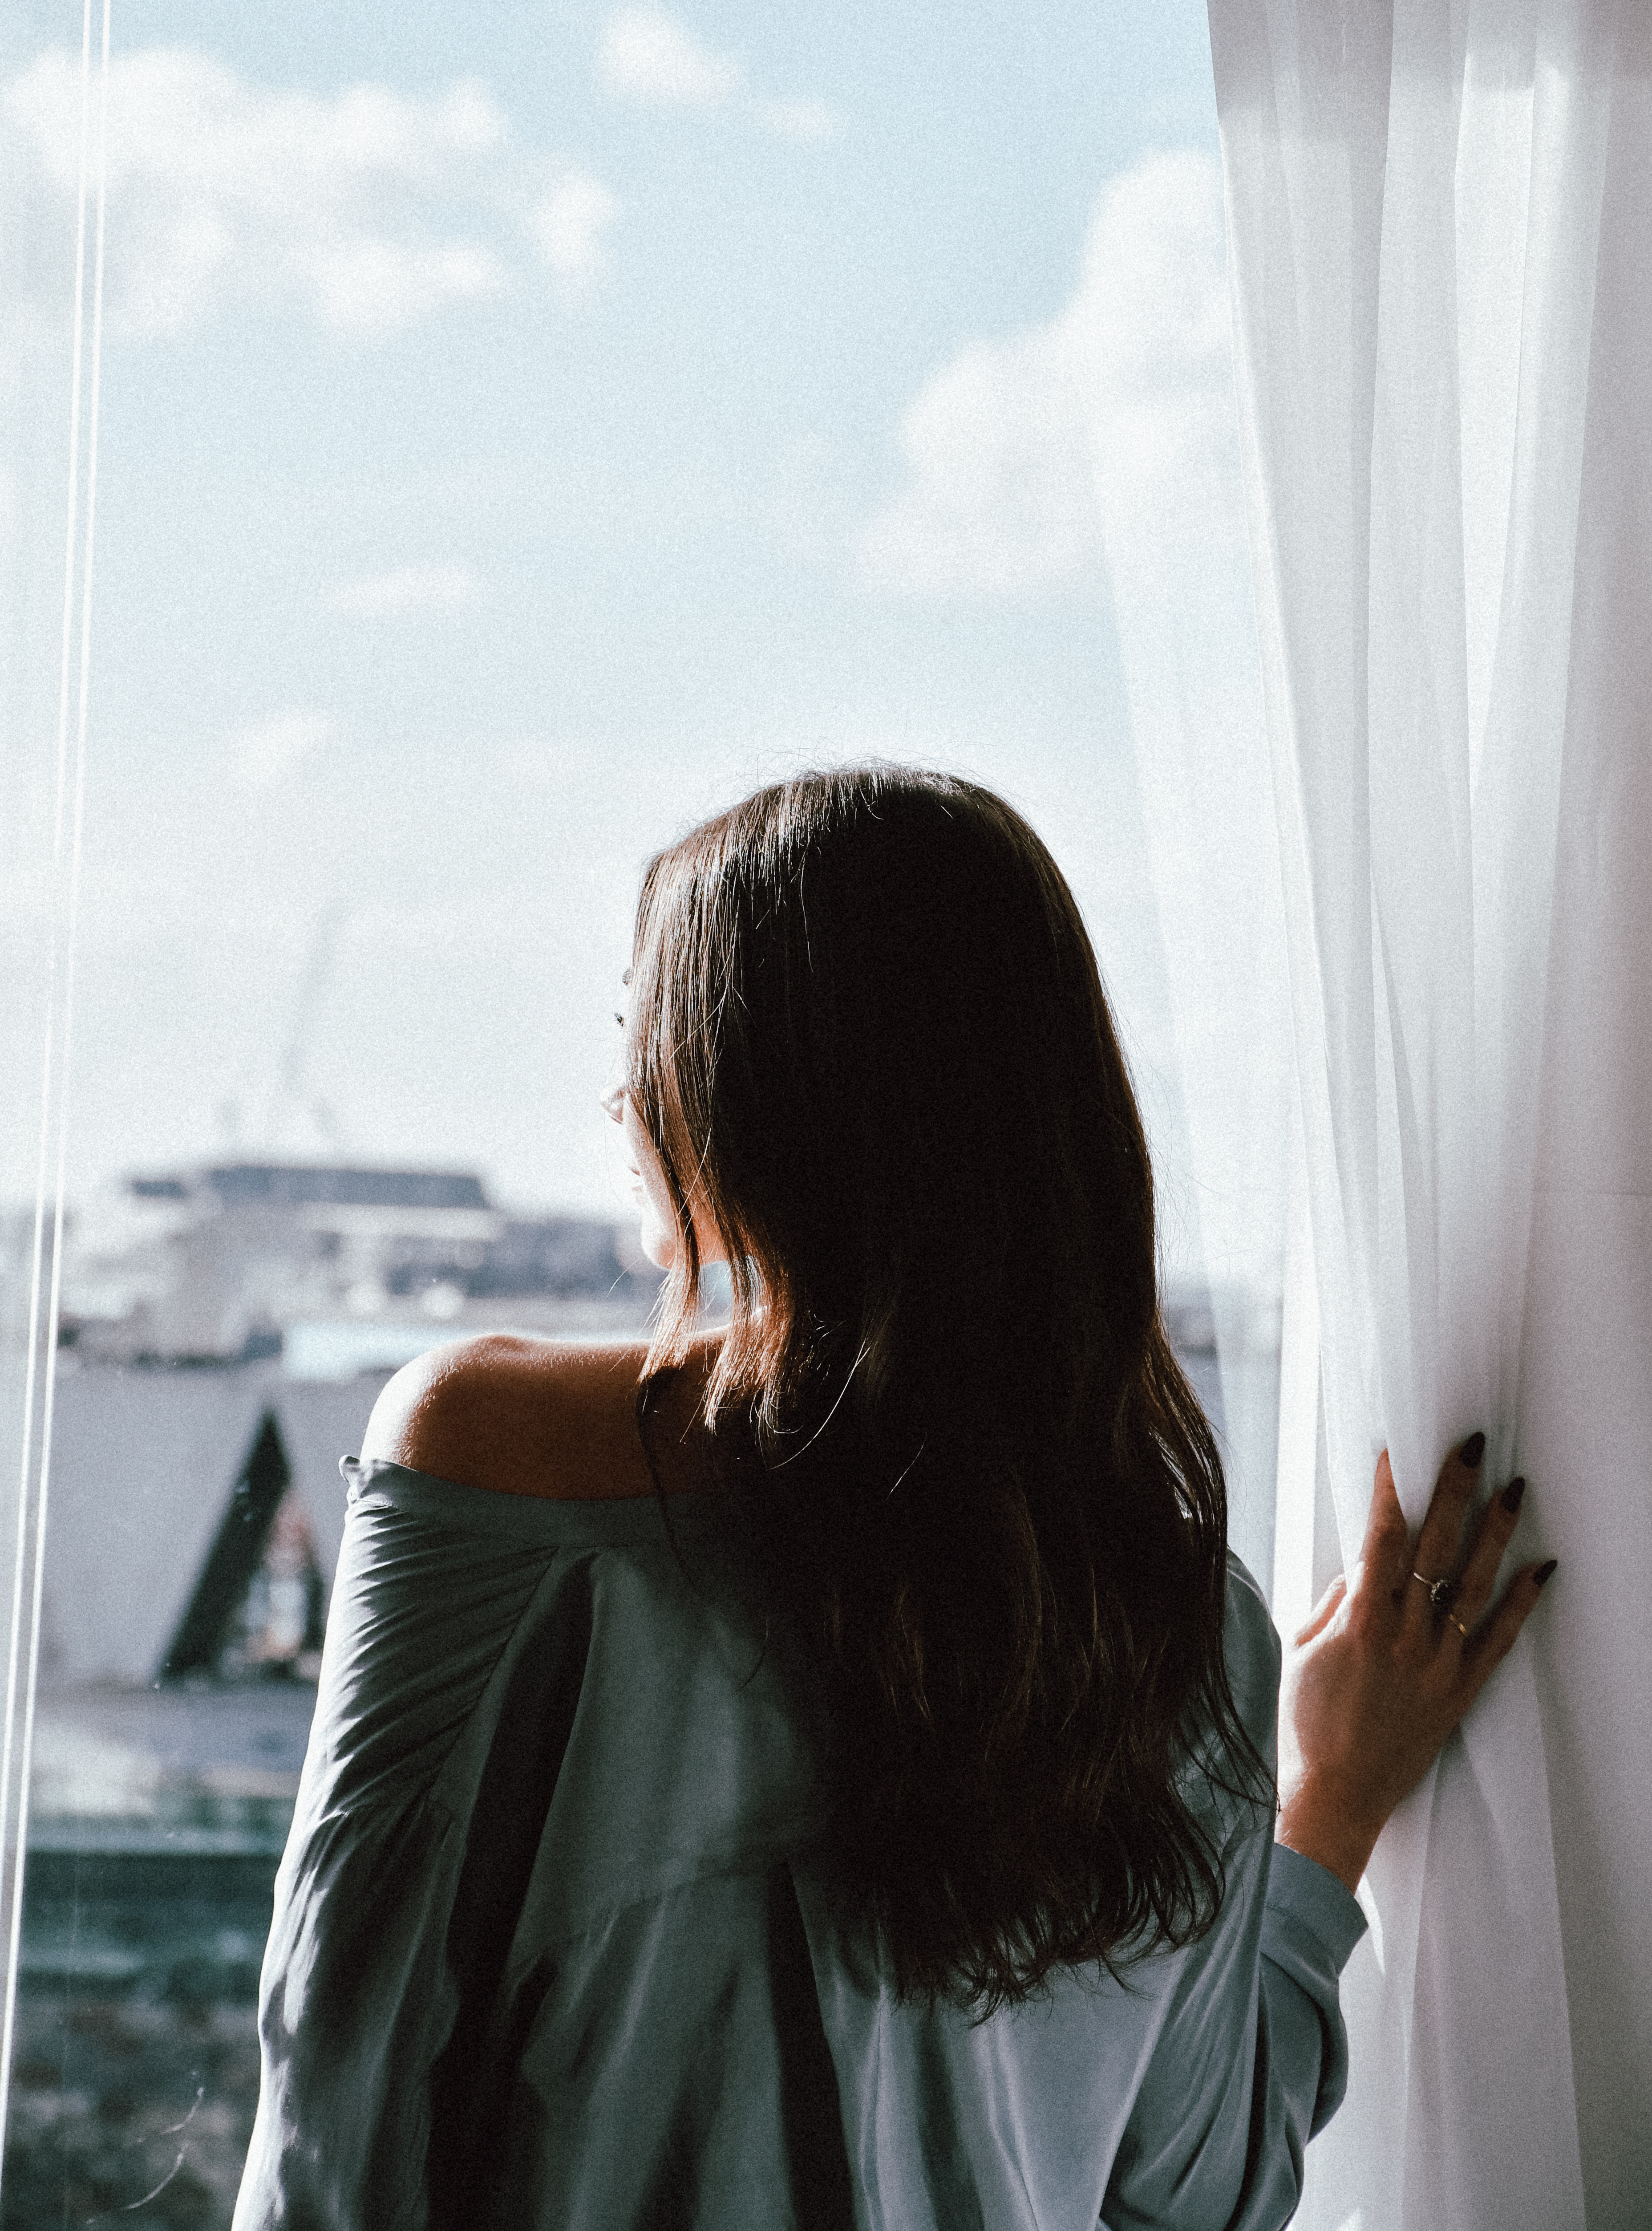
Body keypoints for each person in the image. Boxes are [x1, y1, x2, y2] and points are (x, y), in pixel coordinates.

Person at [233, 767, 1552, 2231]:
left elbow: (335, 2112)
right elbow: (1194, 2193)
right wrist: (1337, 1804)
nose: (619, 1094)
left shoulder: (497, 1459)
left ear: (772, 1085)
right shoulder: (1174, 1626)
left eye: (644, 1032)